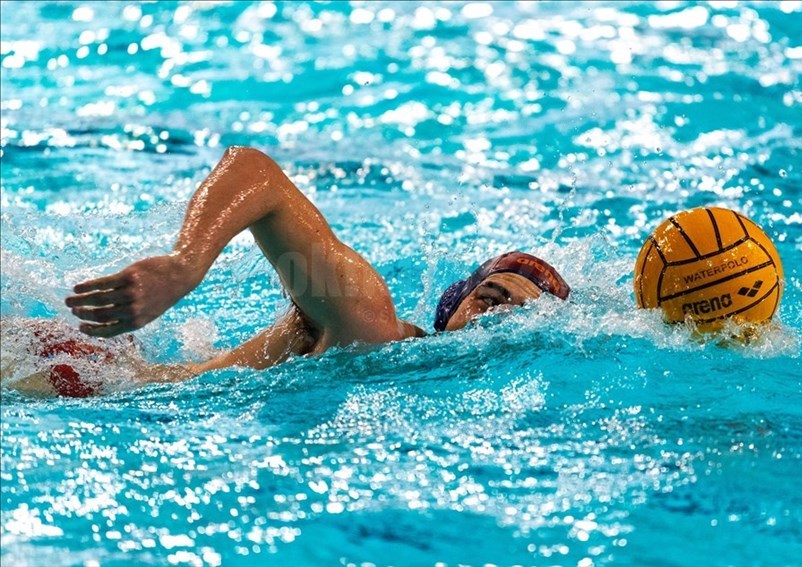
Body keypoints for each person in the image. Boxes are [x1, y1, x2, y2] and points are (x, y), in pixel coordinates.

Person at [3, 147, 570, 395]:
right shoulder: (369, 324)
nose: (501, 322)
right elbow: (258, 173)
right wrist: (185, 265)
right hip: (72, 381)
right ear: (451, 309)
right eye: (492, 299)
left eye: (524, 315)